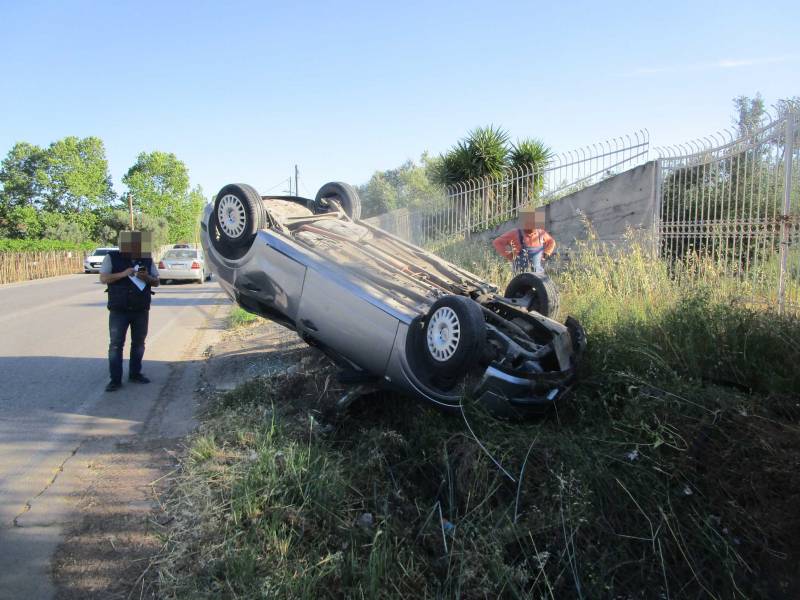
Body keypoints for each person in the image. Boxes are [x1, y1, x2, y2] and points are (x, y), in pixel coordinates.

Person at [99, 230, 160, 392]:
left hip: (140, 308)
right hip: (119, 308)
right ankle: (115, 380)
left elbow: (157, 282)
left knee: (139, 343)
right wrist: (123, 274)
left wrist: (146, 277)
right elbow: (104, 278)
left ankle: (135, 373)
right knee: (116, 345)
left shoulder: (146, 259)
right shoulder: (111, 258)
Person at [492, 207, 556, 273]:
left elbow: (551, 241)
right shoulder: (515, 233)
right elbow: (497, 242)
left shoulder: (541, 233)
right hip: (520, 276)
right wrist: (509, 255)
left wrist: (547, 252)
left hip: (538, 275)